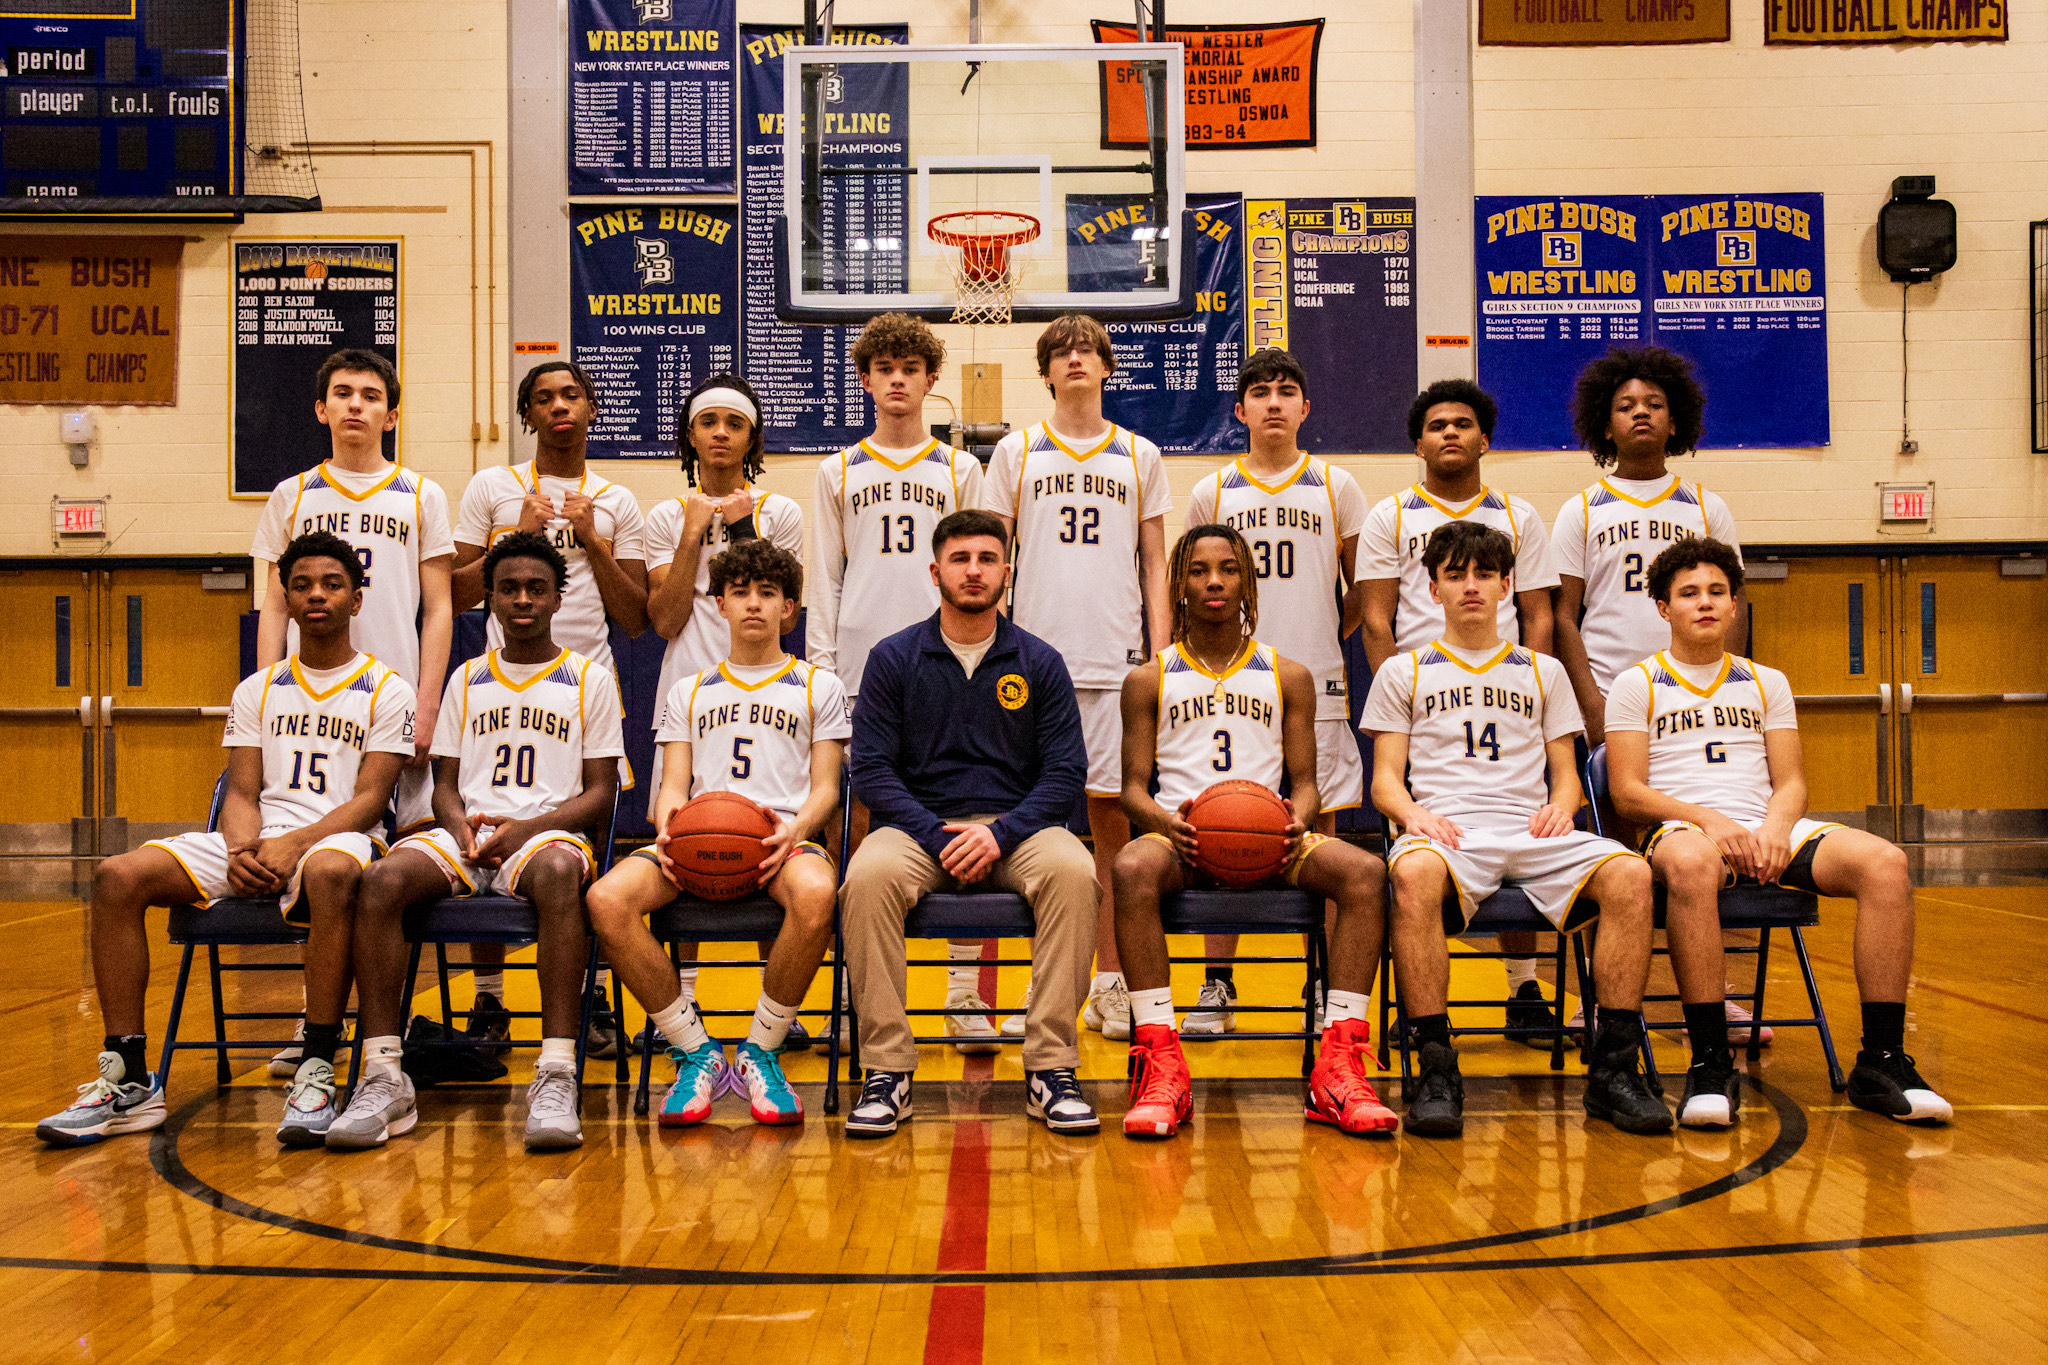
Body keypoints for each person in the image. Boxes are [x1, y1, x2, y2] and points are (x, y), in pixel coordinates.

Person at [38, 533, 414, 1148]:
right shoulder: (258, 689)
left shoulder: (387, 688)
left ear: (356, 599)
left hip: (340, 838)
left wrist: (292, 845)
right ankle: (128, 1077)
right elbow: (240, 791)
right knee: (116, 877)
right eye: (301, 585)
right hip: (258, 840)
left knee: (328, 873)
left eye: (331, 584)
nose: (316, 595)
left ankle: (317, 1064)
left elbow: (372, 799)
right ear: (287, 600)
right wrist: (241, 851)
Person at [1604, 536, 1951, 1127]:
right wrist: (1709, 821)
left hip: (1767, 830)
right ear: (1663, 608)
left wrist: (1773, 828)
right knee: (1690, 864)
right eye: (1689, 593)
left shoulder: (1767, 681)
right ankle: (1711, 1063)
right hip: (1684, 832)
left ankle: (1882, 1060)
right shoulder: (1637, 683)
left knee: (1886, 862)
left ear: (1735, 603)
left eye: (1717, 591)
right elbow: (1628, 792)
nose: (1705, 603)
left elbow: (1791, 782)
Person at [1361, 522, 1669, 1138]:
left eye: (1483, 575)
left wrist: (1564, 804)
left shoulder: (1543, 670)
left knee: (1632, 874)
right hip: (1448, 830)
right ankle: (1435, 1067)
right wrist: (1414, 815)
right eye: (1455, 575)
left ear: (1507, 585)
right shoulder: (1404, 671)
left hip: (1532, 831)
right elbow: (1386, 783)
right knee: (1414, 872)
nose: (1470, 586)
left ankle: (1613, 1068)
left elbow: (1567, 775)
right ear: (1432, 589)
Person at [328, 532, 623, 1152]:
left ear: (556, 599)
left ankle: (557, 1069)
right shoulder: (465, 679)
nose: (522, 600)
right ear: (487, 599)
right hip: (467, 836)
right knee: (381, 880)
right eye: (508, 589)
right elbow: (444, 786)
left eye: (535, 589)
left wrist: (530, 829)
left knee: (559, 875)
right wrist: (458, 826)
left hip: (546, 836)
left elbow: (600, 795)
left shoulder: (589, 679)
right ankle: (384, 1075)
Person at [1112, 524, 1395, 1140]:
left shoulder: (1287, 675)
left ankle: (1339, 1062)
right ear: (1178, 584)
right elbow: (1133, 789)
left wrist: (1298, 817)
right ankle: (1160, 1062)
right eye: (1199, 570)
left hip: (1269, 836)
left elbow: (1307, 781)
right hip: (1181, 839)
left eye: (1228, 569)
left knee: (1366, 872)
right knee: (1132, 867)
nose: (1214, 581)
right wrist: (1168, 822)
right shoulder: (1148, 679)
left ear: (1247, 581)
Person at [839, 510, 1099, 1137]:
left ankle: (1050, 1067)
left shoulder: (1040, 661)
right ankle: (887, 1071)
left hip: (1016, 830)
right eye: (960, 559)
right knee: (866, 878)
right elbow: (870, 772)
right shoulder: (894, 657)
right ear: (936, 571)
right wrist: (935, 834)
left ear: (1008, 571)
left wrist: (1001, 833)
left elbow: (1066, 773)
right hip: (918, 831)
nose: (974, 570)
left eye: (988, 558)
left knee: (1075, 871)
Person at [587, 540, 848, 1127]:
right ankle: (694, 1050)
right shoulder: (691, 689)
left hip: (784, 837)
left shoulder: (817, 685)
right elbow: (672, 785)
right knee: (607, 899)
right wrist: (672, 829)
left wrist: (795, 830)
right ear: (720, 605)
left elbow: (827, 788)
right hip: (699, 840)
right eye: (740, 593)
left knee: (816, 895)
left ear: (790, 608)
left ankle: (761, 1050)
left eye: (768, 593)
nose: (753, 604)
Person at [1545, 345, 1762, 1049]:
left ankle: (1717, 993)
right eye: (1626, 406)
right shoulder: (1581, 507)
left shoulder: (1707, 504)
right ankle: (1595, 998)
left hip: (1691, 703)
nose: (1640, 414)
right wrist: (1589, 703)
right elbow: (1565, 615)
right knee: (1602, 853)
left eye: (1654, 405)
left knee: (1707, 842)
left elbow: (1734, 606)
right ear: (1604, 425)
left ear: (1676, 421)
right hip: (1609, 698)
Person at [250, 348, 454, 1077]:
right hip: (312, 706)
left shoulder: (421, 492)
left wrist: (429, 701)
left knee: (389, 872)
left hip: (394, 703)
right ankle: (319, 1024)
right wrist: (269, 688)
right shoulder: (293, 493)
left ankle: (381, 1033)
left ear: (392, 414)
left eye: (371, 395)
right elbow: (271, 600)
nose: (357, 405)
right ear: (321, 409)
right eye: (343, 393)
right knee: (322, 861)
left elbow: (440, 607)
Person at [809, 314, 995, 1055]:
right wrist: (821, 668)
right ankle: (855, 993)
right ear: (864, 379)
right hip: (858, 664)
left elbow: (977, 574)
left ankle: (959, 992)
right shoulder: (837, 470)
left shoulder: (959, 470)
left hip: (947, 661)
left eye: (909, 368)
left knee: (967, 805)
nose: (895, 379)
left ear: (929, 380)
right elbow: (824, 575)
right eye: (882, 367)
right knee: (851, 828)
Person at [985, 313, 1172, 1042]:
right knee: (1014, 826)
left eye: (1087, 349)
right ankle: (1027, 988)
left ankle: (1112, 981)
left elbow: (1155, 562)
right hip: (1030, 664)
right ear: (1046, 372)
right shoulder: (1017, 450)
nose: (1075, 360)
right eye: (1060, 352)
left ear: (1108, 366)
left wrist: (1161, 654)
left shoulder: (1139, 453)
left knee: (1111, 829)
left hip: (1117, 660)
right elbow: (993, 559)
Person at [452, 361, 647, 1053]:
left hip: (584, 689)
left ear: (592, 409)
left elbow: (636, 616)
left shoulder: (618, 500)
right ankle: (489, 1000)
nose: (559, 406)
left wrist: (591, 539)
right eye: (544, 398)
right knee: (485, 823)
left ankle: (588, 994)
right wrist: (512, 537)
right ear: (526, 415)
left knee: (581, 844)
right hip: (501, 684)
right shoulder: (492, 487)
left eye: (571, 395)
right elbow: (452, 595)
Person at [1360, 380, 1561, 1033]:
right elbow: (1375, 618)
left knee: (1521, 815)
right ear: (1418, 442)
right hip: (1424, 698)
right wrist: (1406, 700)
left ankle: (1525, 987)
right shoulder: (1390, 515)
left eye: (1464, 423)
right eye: (1437, 424)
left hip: (1506, 690)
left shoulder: (1520, 517)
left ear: (1485, 439)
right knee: (1423, 841)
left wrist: (1527, 692)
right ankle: (1420, 1004)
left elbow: (1539, 614)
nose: (1450, 432)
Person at [1181, 348, 1370, 1036]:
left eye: (1287, 391)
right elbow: (1197, 588)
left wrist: (1320, 636)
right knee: (1220, 823)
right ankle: (1216, 983)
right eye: (1259, 392)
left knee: (1314, 839)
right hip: (1233, 687)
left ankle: (1318, 983)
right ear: (1240, 411)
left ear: (1305, 408)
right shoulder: (1214, 491)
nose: (1273, 402)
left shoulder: (1336, 485)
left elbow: (1361, 592)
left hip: (1315, 684)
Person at [642, 373, 808, 1046]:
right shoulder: (664, 516)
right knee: (688, 843)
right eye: (706, 421)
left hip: (768, 693)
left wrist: (739, 525)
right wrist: (690, 536)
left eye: (732, 423)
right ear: (690, 435)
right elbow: (664, 617)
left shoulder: (782, 514)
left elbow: (784, 618)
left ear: (751, 436)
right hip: (691, 693)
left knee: (763, 836)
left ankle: (779, 1009)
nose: (719, 432)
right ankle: (685, 1003)